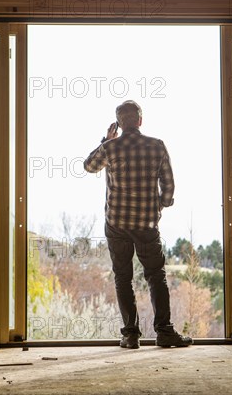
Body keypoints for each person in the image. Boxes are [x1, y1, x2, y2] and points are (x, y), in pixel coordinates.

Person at [84, 100, 193, 349]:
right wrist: (159, 207)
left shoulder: (110, 147)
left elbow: (89, 166)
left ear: (119, 124)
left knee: (123, 278)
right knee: (156, 276)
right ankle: (164, 332)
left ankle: (131, 335)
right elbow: (169, 184)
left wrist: (105, 140)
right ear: (140, 121)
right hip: (146, 223)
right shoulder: (156, 146)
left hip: (117, 223)